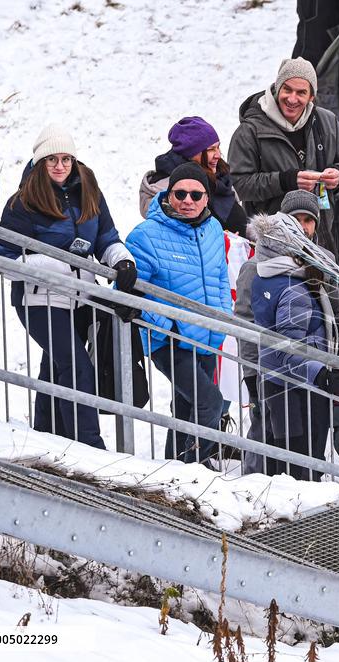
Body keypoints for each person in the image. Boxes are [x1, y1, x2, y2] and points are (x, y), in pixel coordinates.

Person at [0, 126, 136, 449]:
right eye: (52, 160)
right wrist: (53, 264)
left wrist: (122, 261)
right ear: (40, 162)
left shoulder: (89, 189)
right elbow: (4, 260)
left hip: (80, 297)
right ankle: (89, 448)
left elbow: (106, 238)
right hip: (39, 300)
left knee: (55, 365)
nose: (60, 166)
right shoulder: (24, 202)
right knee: (76, 367)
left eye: (66, 159)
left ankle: (45, 433)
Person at [126, 163, 231, 466]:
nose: (187, 200)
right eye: (180, 193)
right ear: (168, 195)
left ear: (206, 198)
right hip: (169, 339)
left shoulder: (213, 228)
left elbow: (221, 277)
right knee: (210, 401)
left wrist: (222, 315)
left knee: (186, 407)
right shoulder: (146, 235)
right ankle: (195, 468)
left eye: (195, 194)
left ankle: (175, 469)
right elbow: (135, 291)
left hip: (207, 334)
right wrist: (166, 325)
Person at [234, 191, 339, 475]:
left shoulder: (323, 262)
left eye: (310, 220)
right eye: (298, 220)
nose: (304, 227)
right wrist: (250, 375)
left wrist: (335, 361)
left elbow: (334, 315)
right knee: (273, 448)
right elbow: (247, 323)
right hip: (275, 372)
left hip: (317, 369)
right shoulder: (257, 267)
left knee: (312, 451)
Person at [229, 58, 339, 266]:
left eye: (301, 93)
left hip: (320, 232)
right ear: (276, 88)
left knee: (324, 295)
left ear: (312, 97)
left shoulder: (326, 121)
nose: (292, 99)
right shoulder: (250, 130)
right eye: (287, 90)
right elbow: (241, 185)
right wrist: (287, 180)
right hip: (271, 240)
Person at [139, 117, 247, 235]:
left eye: (218, 147)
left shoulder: (220, 175)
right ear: (191, 153)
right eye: (211, 149)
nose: (218, 155)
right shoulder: (168, 188)